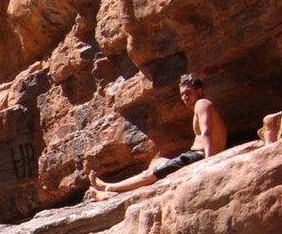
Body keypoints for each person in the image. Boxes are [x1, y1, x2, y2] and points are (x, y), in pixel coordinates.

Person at [89, 73, 227, 198]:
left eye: (188, 93)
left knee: (151, 173)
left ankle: (109, 188)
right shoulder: (203, 106)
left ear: (200, 91)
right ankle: (113, 194)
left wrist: (210, 162)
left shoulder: (202, 104)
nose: (185, 97)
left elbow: (207, 132)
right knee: (158, 162)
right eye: (182, 94)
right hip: (195, 155)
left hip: (199, 155)